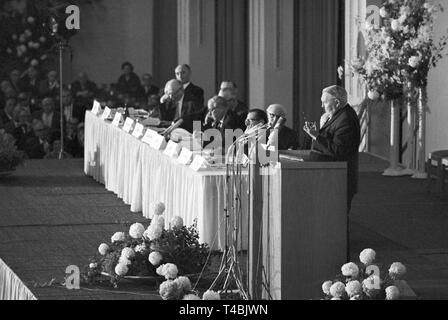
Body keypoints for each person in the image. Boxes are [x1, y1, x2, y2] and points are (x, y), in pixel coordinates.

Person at [303, 85, 361, 262]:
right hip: (327, 178)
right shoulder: (336, 115)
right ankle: (327, 259)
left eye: (324, 102)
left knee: (336, 223)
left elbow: (338, 151)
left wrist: (316, 136)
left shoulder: (346, 119)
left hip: (338, 180)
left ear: (336, 102)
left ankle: (339, 262)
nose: (322, 106)